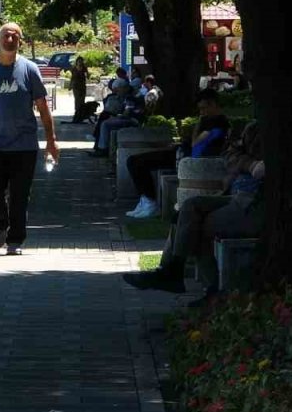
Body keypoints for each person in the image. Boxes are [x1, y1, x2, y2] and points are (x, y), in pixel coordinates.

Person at [122, 121, 264, 306]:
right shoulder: (252, 129)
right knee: (189, 207)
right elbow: (230, 153)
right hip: (234, 196)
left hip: (253, 203)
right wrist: (250, 163)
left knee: (195, 225)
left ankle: (195, 282)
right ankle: (174, 271)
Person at [0, 21, 61, 255]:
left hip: (25, 145)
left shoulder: (30, 70)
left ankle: (15, 241)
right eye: (6, 36)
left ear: (20, 41)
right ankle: (1, 223)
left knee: (20, 196)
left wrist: (51, 141)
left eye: (14, 36)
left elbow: (43, 107)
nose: (10, 40)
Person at [124, 88, 230, 218]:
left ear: (213, 104)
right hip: (183, 154)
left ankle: (149, 202)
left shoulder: (216, 122)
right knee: (136, 161)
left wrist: (198, 125)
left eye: (203, 108)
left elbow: (195, 143)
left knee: (135, 162)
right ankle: (146, 199)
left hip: (187, 159)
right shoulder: (216, 121)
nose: (202, 113)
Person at [68, 56, 89, 124]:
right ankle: (76, 114)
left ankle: (81, 115)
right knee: (77, 100)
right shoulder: (74, 68)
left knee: (82, 101)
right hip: (76, 86)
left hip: (82, 86)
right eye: (79, 61)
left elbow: (87, 76)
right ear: (76, 61)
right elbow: (72, 77)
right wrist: (70, 85)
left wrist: (87, 73)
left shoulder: (84, 68)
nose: (80, 62)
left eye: (81, 61)